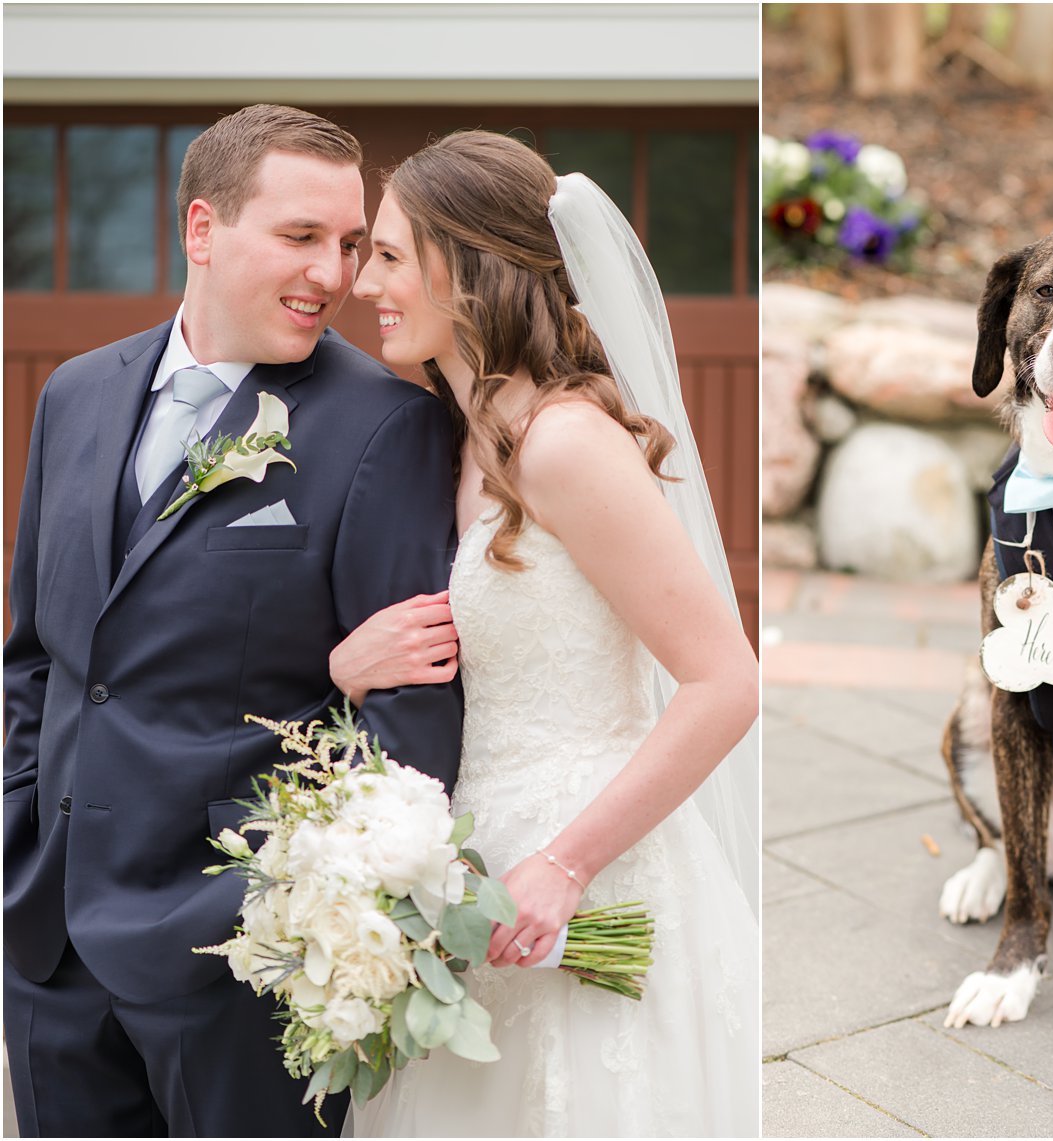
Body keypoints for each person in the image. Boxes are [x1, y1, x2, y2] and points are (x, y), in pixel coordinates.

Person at [2, 104, 464, 1137]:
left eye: (349, 245)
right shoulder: (74, 394)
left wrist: (270, 915)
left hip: (234, 967)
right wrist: (18, 838)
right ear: (203, 231)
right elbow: (38, 657)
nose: (334, 274)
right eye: (301, 236)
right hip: (47, 948)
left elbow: (408, 728)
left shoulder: (386, 427)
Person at [331, 130, 760, 1137]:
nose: (363, 284)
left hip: (591, 860)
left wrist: (564, 865)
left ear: (467, 263)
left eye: (390, 255)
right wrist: (348, 670)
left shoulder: (566, 442)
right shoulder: (462, 435)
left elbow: (723, 682)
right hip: (478, 853)